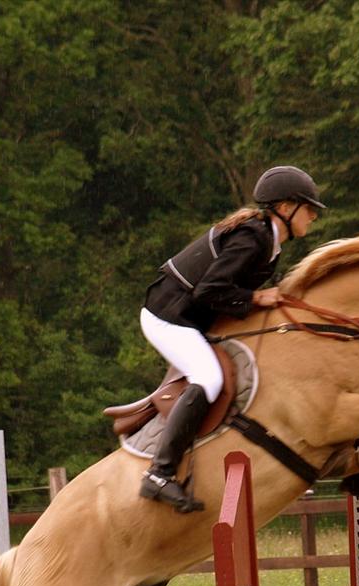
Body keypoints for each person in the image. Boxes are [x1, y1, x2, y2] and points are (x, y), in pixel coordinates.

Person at [138, 165, 325, 512]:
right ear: (285, 208)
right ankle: (159, 473)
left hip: (191, 317)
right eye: (308, 207)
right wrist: (256, 298)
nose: (313, 215)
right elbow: (209, 291)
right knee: (208, 378)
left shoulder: (268, 243)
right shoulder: (253, 238)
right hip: (168, 316)